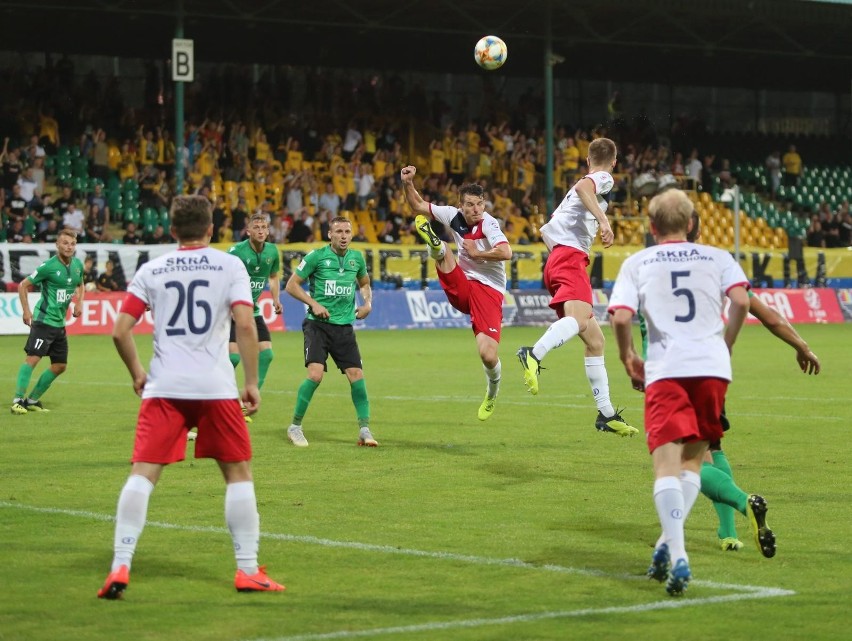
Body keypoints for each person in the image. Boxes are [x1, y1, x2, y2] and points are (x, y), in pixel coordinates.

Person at [97, 194, 284, 599]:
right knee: (237, 474)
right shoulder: (229, 264)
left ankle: (120, 566)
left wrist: (137, 374)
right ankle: (248, 570)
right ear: (211, 228)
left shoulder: (153, 268)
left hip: (164, 387)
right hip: (216, 388)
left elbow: (119, 330)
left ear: (171, 229)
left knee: (142, 474)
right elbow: (246, 324)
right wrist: (250, 381)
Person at [608, 188, 751, 596]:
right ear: (691, 224)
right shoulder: (718, 257)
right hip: (712, 369)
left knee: (666, 466)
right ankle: (664, 546)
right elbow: (740, 300)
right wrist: (725, 344)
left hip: (668, 368)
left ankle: (680, 553)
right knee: (693, 461)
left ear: (651, 228)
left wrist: (628, 357)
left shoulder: (639, 261)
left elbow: (619, 316)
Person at [515, 137, 637, 436]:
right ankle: (534, 353)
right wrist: (604, 221)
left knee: (595, 341)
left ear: (587, 158)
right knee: (581, 320)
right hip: (569, 258)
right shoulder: (602, 178)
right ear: (614, 161)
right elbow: (585, 187)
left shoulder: (576, 190)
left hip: (560, 258)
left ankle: (606, 414)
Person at [400, 165, 512, 421]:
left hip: (489, 291)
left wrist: (477, 254)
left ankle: (492, 393)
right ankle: (436, 247)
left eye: (479, 204)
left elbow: (507, 252)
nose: (475, 210)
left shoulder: (489, 224)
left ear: (484, 205)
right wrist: (408, 183)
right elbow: (417, 205)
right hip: (463, 283)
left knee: (488, 354)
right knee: (446, 252)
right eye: (470, 205)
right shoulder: (452, 216)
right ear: (461, 206)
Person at [283, 216, 377, 447]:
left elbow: (364, 283)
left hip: (344, 327)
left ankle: (364, 429)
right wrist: (313, 303)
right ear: (330, 235)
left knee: (357, 376)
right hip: (317, 325)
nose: (343, 236)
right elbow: (291, 285)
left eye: (347, 231)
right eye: (339, 232)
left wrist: (367, 304)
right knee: (315, 375)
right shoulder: (316, 257)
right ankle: (295, 426)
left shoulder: (357, 259)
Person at [11, 229, 84, 414]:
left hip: (59, 325)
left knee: (60, 366)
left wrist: (79, 302)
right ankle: (17, 400)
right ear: (57, 245)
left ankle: (32, 400)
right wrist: (26, 311)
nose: (69, 247)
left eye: (72, 244)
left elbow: (80, 283)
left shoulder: (77, 265)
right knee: (32, 359)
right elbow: (23, 285)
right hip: (44, 322)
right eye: (65, 243)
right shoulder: (48, 267)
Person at [227, 213, 282, 422]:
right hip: (232, 309)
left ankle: (246, 402)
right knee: (232, 358)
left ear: (268, 231)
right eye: (256, 227)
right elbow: (223, 277)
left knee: (267, 354)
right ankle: (221, 399)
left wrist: (276, 299)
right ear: (248, 231)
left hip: (253, 310)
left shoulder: (272, 251)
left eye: (264, 227)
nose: (260, 230)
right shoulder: (236, 252)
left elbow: (274, 276)